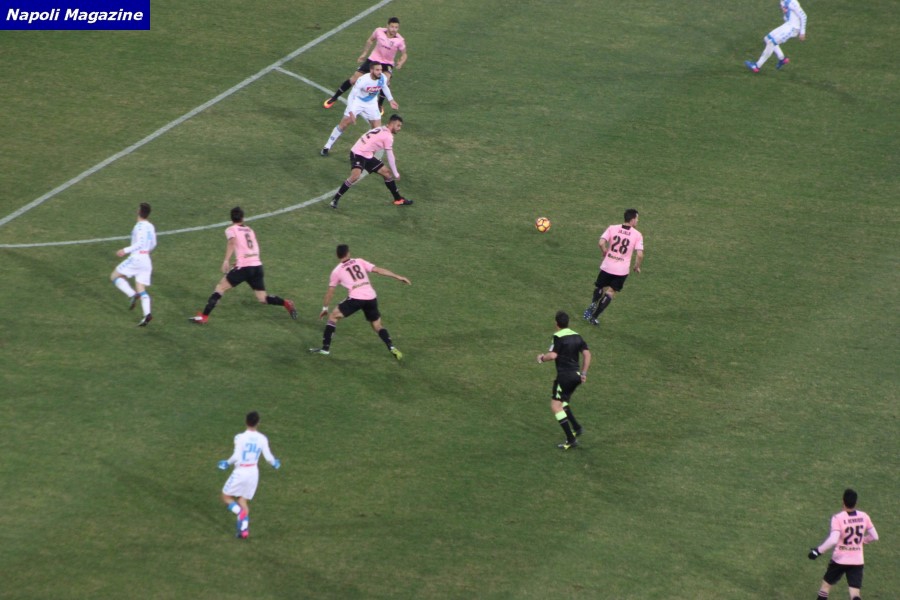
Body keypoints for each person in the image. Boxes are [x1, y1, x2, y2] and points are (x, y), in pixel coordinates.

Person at [189, 207, 297, 324]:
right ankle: (286, 303)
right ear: (243, 218)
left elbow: (232, 242)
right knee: (262, 298)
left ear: (231, 218)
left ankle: (204, 317)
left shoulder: (231, 229)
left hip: (244, 268)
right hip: (257, 266)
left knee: (220, 288)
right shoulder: (250, 230)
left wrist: (226, 260)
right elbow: (254, 247)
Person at [309, 244, 410, 359]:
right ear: (348, 253)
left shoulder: (336, 271)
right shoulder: (359, 261)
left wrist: (325, 308)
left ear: (337, 255)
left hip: (356, 298)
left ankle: (325, 349)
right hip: (371, 297)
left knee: (333, 317)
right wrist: (398, 276)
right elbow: (378, 270)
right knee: (377, 325)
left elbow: (330, 292)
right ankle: (391, 347)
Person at [323, 16, 407, 113]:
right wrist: (364, 53)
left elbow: (404, 54)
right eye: (392, 27)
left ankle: (379, 105)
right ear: (387, 26)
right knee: (354, 78)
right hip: (373, 59)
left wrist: (401, 62)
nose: (394, 29)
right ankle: (334, 97)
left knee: (385, 82)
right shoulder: (379, 31)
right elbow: (370, 40)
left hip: (387, 63)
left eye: (396, 27)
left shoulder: (400, 40)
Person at [218, 411, 281, 539]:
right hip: (253, 472)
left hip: (241, 471)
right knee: (242, 500)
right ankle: (243, 530)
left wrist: (226, 463)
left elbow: (236, 456)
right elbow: (268, 457)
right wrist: (275, 463)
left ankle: (240, 513)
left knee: (226, 497)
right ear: (258, 423)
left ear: (246, 421)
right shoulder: (262, 438)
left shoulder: (240, 437)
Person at [328, 114, 413, 208]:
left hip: (367, 154)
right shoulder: (388, 136)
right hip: (358, 153)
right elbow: (390, 156)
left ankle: (398, 199)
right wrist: (396, 173)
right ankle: (335, 199)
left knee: (387, 173)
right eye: (398, 125)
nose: (399, 128)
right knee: (355, 176)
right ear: (392, 124)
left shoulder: (381, 128)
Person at [808, 488, 879, 600]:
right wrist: (863, 541)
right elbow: (875, 536)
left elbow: (833, 540)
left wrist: (817, 551)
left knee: (826, 586)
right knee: (855, 594)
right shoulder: (864, 516)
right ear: (856, 502)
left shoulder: (838, 518)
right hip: (857, 561)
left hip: (839, 560)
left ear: (843, 501)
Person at [536, 311, 591, 450]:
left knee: (556, 406)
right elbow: (587, 354)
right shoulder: (577, 336)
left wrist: (541, 358)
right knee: (563, 401)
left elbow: (553, 355)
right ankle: (577, 428)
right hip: (576, 376)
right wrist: (584, 373)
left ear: (556, 323)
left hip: (565, 377)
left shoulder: (558, 337)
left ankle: (571, 439)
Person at [320, 62, 399, 157]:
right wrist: (351, 111)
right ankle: (327, 146)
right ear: (371, 70)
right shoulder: (363, 80)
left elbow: (384, 87)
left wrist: (391, 100)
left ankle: (368, 153)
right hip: (357, 101)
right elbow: (351, 95)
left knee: (376, 129)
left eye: (381, 70)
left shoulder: (382, 77)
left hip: (372, 103)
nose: (380, 72)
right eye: (377, 70)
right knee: (344, 124)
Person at [583, 208, 644, 325]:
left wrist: (604, 251)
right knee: (610, 292)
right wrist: (636, 267)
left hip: (607, 265)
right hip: (621, 271)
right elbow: (640, 255)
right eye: (637, 219)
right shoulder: (637, 235)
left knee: (600, 287)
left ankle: (593, 303)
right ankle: (594, 317)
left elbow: (601, 242)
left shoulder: (612, 228)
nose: (637, 221)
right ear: (632, 220)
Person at [109, 202, 156, 327]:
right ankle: (147, 314)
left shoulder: (139, 226)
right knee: (141, 287)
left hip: (137, 258)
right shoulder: (150, 226)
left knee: (114, 276)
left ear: (138, 212)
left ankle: (132, 295)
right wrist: (146, 251)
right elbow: (153, 243)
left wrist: (125, 250)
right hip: (146, 259)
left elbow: (140, 243)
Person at [745, 0, 807, 72]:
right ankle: (782, 59)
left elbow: (803, 16)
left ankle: (757, 66)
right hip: (787, 25)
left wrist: (802, 32)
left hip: (793, 28)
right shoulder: (782, 1)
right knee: (767, 38)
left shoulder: (792, 2)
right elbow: (788, 15)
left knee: (771, 43)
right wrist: (786, 15)